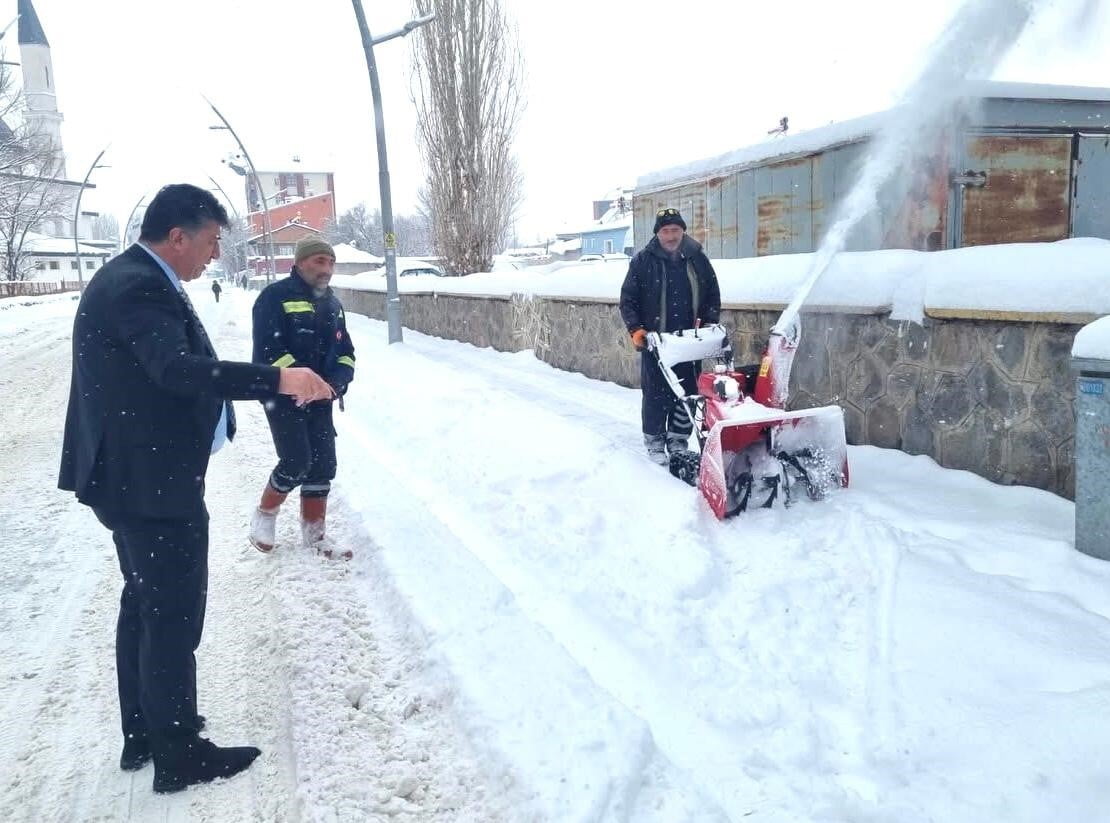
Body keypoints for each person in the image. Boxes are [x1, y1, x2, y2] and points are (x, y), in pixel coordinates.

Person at [58, 184, 334, 794]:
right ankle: (178, 751)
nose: (214, 254)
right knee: (173, 614)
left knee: (144, 605)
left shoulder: (133, 278)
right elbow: (176, 370)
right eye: (210, 241)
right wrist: (279, 382)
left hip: (136, 475)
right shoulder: (138, 285)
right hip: (149, 484)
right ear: (177, 236)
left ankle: (145, 732)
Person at [248, 236, 356, 559]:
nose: (327, 269)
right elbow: (267, 352)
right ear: (299, 263)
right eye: (319, 262)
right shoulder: (274, 298)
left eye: (331, 263)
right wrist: (303, 382)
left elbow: (345, 353)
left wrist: (336, 384)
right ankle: (264, 515)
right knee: (296, 461)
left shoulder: (333, 305)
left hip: (322, 398)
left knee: (323, 464)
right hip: (282, 397)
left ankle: (315, 534)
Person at [619, 207, 721, 465]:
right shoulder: (642, 261)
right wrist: (636, 329)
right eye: (666, 230)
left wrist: (709, 323)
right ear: (658, 233)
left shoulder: (697, 258)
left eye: (675, 230)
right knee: (655, 393)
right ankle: (654, 441)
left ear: (683, 230)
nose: (671, 235)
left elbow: (712, 294)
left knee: (687, 392)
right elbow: (628, 300)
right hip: (656, 341)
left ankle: (678, 439)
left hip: (689, 341)